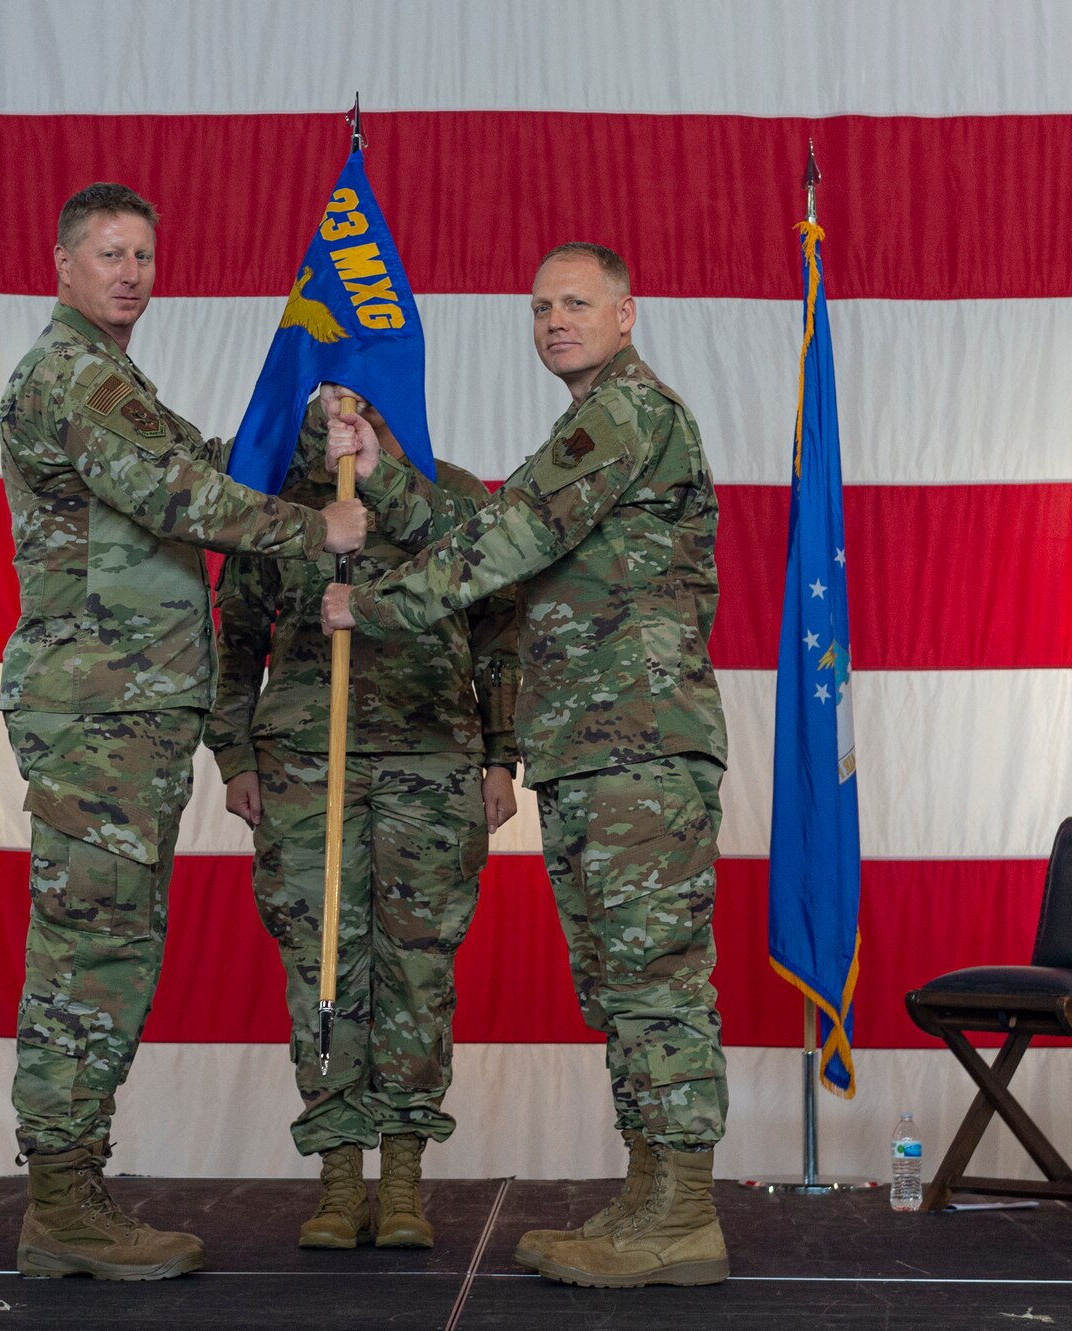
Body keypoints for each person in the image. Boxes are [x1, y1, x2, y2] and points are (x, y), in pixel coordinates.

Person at [318, 242, 731, 1289]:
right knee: (617, 977)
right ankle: (651, 1193)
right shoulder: (584, 429)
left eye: (577, 303)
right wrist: (383, 470)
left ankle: (681, 1207)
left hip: (636, 743)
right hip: (595, 745)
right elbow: (490, 527)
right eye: (540, 305)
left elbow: (504, 536)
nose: (554, 319)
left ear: (626, 315)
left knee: (653, 981)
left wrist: (372, 603)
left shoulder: (628, 414)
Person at [0, 181, 366, 1280]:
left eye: (144, 255)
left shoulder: (115, 380)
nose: (130, 271)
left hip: (131, 710)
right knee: (89, 954)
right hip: (96, 710)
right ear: (62, 264)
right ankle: (61, 1206)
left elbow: (208, 456)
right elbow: (179, 493)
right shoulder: (68, 375)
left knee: (111, 947)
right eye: (108, 253)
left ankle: (73, 1190)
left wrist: (315, 431)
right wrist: (320, 523)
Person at [208, 401, 520, 1250]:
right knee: (323, 967)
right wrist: (233, 751)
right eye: (327, 391)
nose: (344, 407)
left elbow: (498, 627)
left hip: (431, 757)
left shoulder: (446, 495)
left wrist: (501, 753)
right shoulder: (277, 503)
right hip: (309, 763)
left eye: (361, 390)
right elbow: (237, 635)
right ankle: (341, 1182)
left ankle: (407, 1180)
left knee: (416, 968)